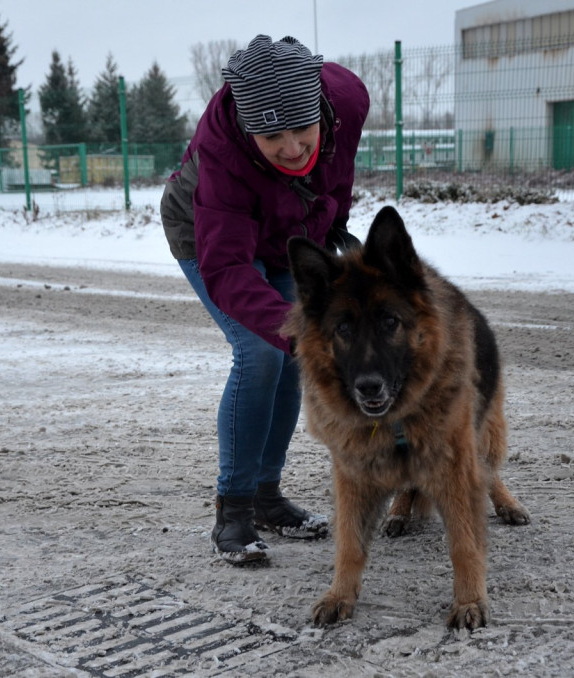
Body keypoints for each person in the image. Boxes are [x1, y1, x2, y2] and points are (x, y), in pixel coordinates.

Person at [160, 34, 370, 564]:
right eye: (272, 135)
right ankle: (233, 511)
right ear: (249, 130)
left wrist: (334, 222)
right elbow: (227, 265)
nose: (293, 146)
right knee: (263, 350)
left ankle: (267, 497)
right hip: (208, 233)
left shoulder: (346, 100)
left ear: (322, 110)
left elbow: (335, 168)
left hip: (287, 228)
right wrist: (300, 327)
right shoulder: (223, 156)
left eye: (302, 128)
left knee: (288, 355)